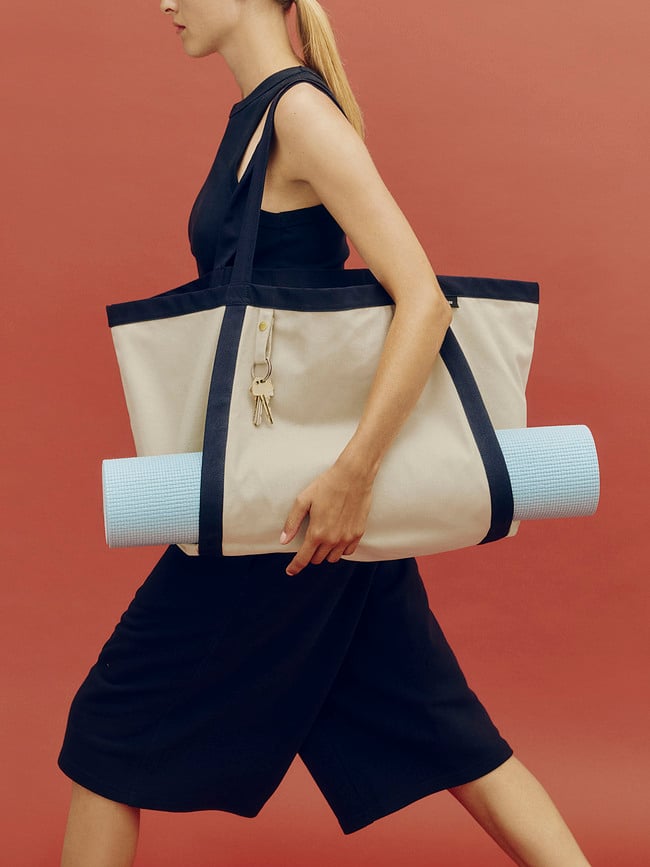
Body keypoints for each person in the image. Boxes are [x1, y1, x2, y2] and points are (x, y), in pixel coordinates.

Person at [58, 1, 593, 865]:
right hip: (304, 495)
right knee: (452, 735)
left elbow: (422, 300)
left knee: (106, 732)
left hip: (292, 506)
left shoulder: (300, 114)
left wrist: (353, 474)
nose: (165, 2)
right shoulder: (256, 118)